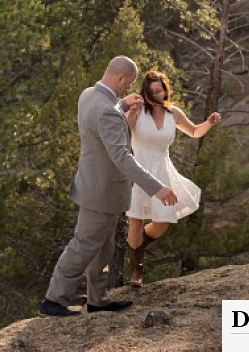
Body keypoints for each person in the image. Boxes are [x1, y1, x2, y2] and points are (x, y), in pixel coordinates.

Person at [40, 56, 179, 317]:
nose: (129, 90)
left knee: (103, 247)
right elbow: (122, 157)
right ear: (120, 79)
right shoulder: (108, 112)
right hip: (101, 191)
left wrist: (122, 103)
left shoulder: (89, 95)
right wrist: (157, 188)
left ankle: (98, 299)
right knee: (83, 245)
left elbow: (108, 105)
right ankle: (54, 300)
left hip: (92, 184)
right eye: (129, 84)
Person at [124, 70, 221, 287]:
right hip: (137, 167)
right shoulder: (139, 111)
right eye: (151, 92)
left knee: (162, 222)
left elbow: (195, 132)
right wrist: (131, 111)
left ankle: (133, 247)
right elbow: (124, 131)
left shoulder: (173, 113)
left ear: (165, 89)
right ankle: (136, 269)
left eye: (159, 90)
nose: (155, 95)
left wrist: (210, 122)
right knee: (136, 219)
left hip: (162, 170)